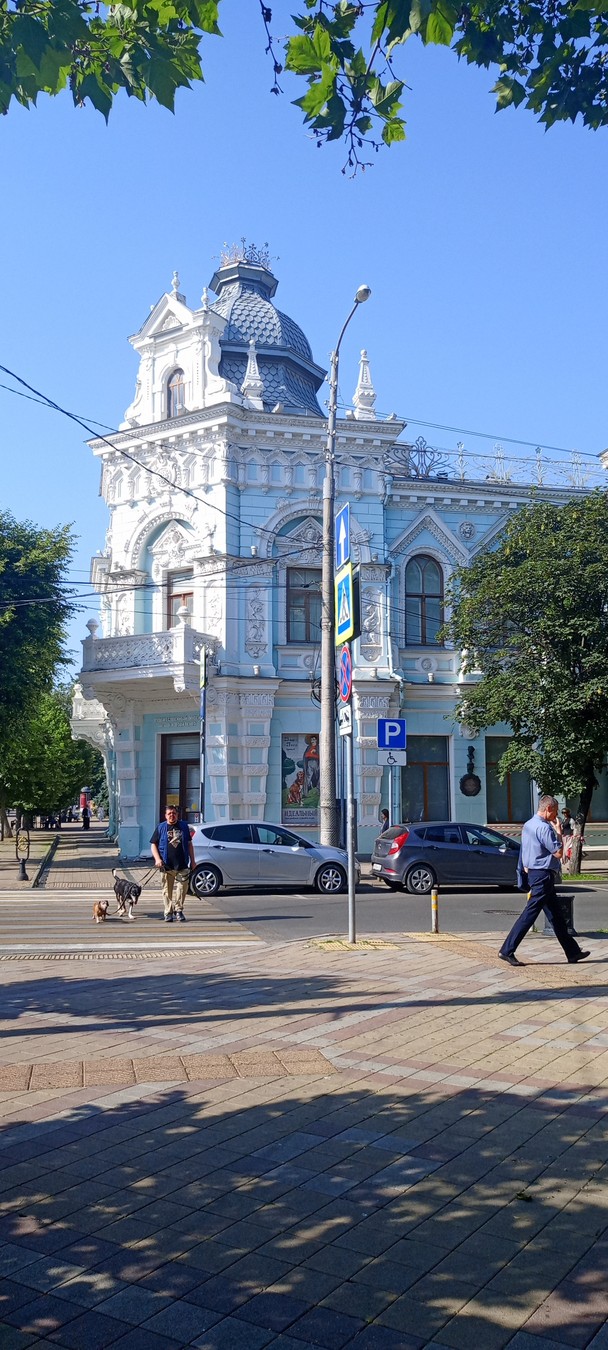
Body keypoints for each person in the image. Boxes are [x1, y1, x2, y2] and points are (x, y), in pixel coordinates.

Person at [499, 794, 589, 967]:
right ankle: (507, 950)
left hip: (534, 872)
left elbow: (525, 851)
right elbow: (558, 853)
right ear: (548, 809)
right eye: (555, 811)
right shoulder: (544, 828)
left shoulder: (528, 825)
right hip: (543, 875)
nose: (556, 815)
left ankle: (572, 952)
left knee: (556, 915)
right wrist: (559, 832)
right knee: (530, 913)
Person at [150, 805, 196, 923]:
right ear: (165, 816)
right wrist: (157, 859)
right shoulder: (161, 827)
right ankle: (168, 912)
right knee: (167, 890)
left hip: (182, 864)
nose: (172, 815)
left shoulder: (184, 827)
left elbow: (189, 844)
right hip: (166, 865)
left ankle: (179, 910)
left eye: (174, 813)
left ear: (177, 814)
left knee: (182, 888)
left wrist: (193, 861)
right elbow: (153, 844)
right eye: (169, 813)